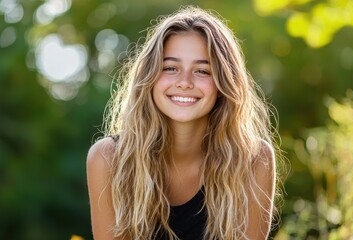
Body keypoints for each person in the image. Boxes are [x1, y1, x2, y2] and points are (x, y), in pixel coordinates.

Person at [87, 5, 279, 240]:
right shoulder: (108, 159)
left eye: (202, 71)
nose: (185, 82)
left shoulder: (254, 160)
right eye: (170, 68)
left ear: (223, 84)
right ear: (149, 78)